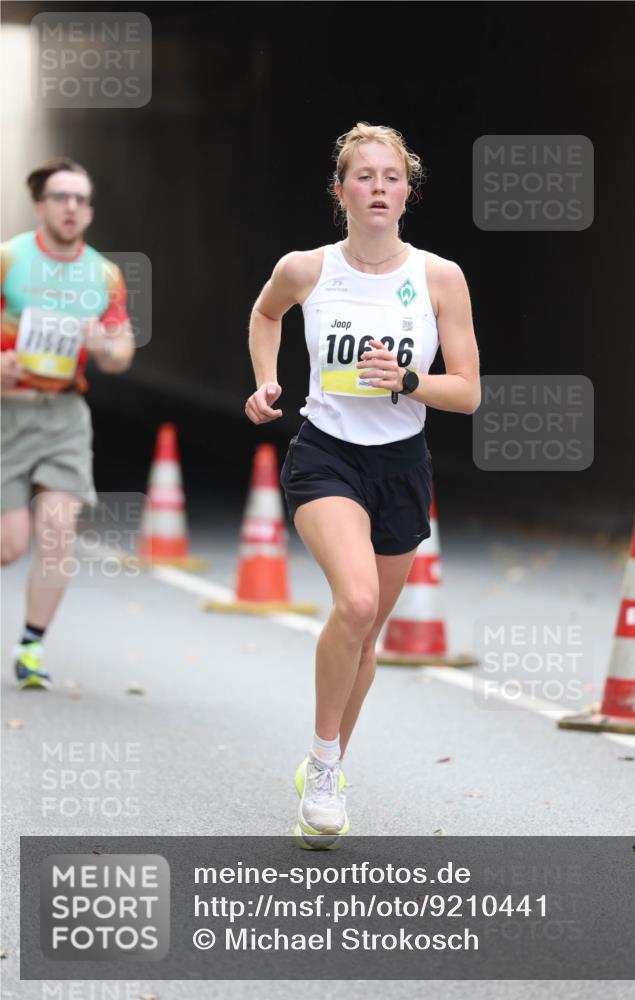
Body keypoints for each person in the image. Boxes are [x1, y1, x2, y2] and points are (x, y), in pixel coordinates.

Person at [245, 122, 480, 848]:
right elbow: (265, 315)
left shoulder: (438, 277)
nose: (377, 188)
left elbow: (467, 391)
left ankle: (330, 764)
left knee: (367, 631)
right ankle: (321, 770)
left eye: (390, 177)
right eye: (362, 176)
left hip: (400, 466)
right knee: (354, 601)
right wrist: (266, 381)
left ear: (407, 192)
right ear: (340, 190)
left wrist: (409, 380)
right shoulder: (306, 269)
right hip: (326, 456)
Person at [1, 157, 134, 689]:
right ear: (41, 205)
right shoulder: (10, 258)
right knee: (10, 545)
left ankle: (30, 648)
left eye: (81, 199)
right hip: (7, 411)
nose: (72, 207)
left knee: (57, 531)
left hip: (63, 415)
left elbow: (121, 351)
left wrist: (104, 343)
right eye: (62, 197)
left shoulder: (103, 273)